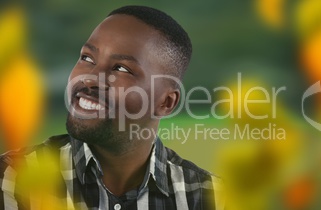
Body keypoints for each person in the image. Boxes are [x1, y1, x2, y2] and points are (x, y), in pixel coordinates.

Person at [0, 5, 222, 210]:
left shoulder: (214, 198)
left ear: (166, 103)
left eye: (122, 69)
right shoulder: (10, 180)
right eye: (87, 57)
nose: (90, 78)